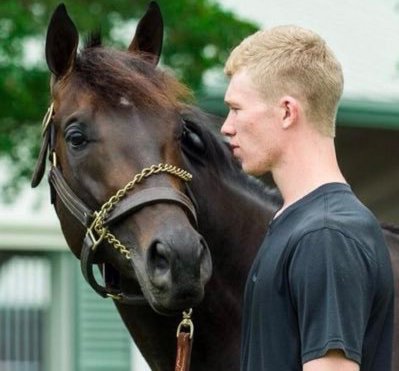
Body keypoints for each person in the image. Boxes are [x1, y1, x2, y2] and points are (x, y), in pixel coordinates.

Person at [220, 25, 394, 371]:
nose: (226, 126)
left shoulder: (326, 235)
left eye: (237, 108)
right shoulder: (299, 225)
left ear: (287, 111)